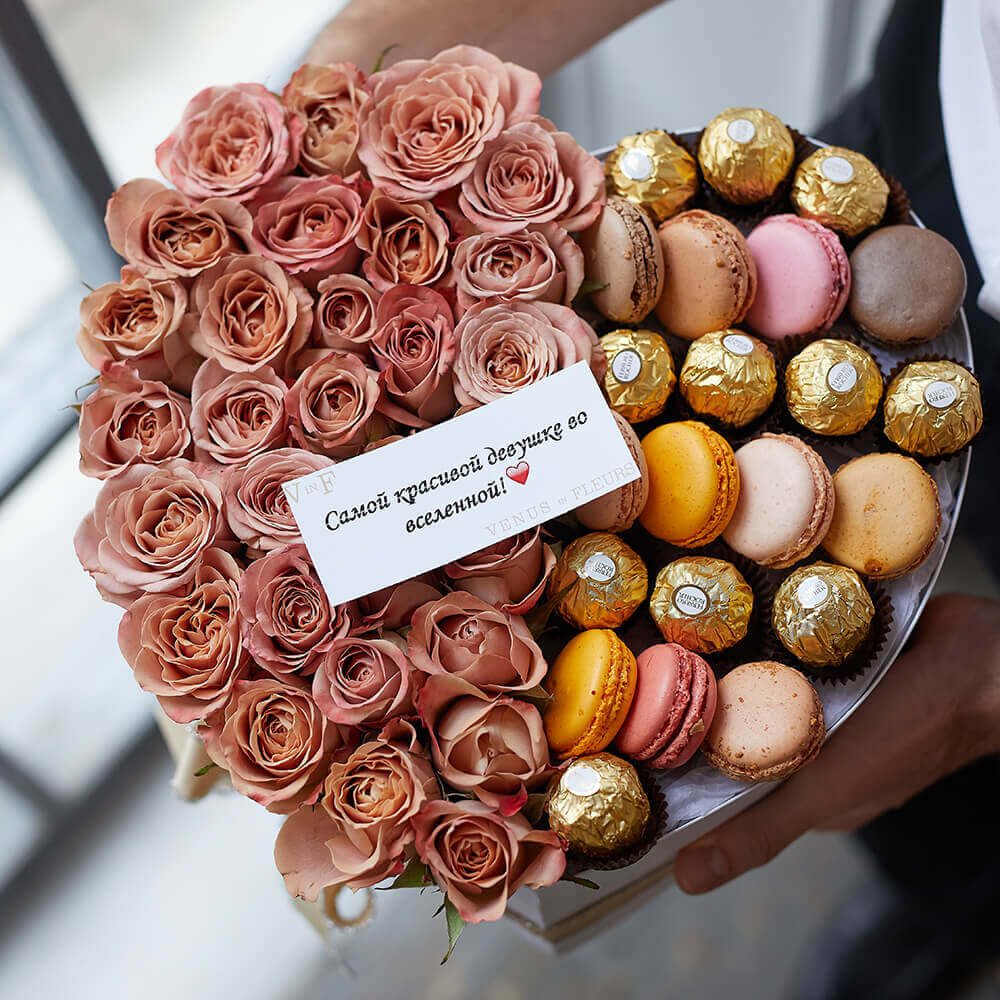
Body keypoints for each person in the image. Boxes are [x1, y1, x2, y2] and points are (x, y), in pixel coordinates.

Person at [309, 2, 1000, 996]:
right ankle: (952, 891)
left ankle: (970, 888)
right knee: (887, 750)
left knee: (907, 709)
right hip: (933, 112)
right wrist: (353, 76)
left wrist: (984, 697)